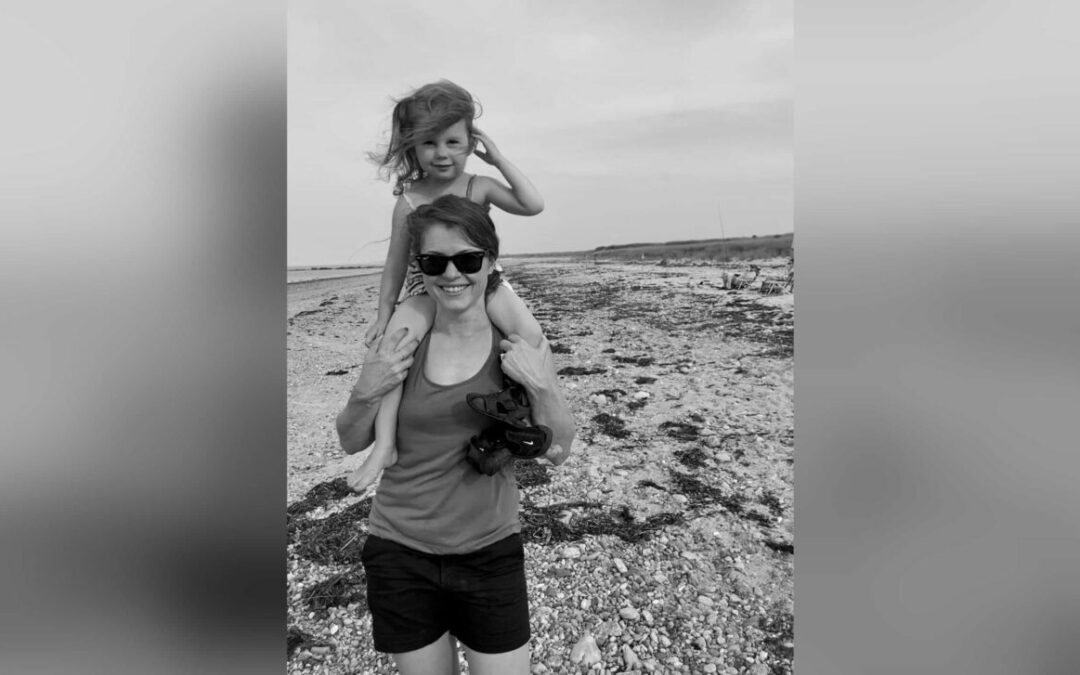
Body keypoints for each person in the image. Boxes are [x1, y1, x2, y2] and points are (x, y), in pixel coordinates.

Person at [336, 195, 575, 674]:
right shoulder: (407, 338)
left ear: (490, 261)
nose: (451, 274)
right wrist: (366, 390)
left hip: (489, 552)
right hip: (400, 551)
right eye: (434, 262)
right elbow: (348, 440)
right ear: (419, 267)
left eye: (467, 260)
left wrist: (543, 382)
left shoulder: (512, 342)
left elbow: (560, 448)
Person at [348, 79, 546, 494]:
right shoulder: (410, 198)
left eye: (454, 141)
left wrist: (498, 160)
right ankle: (385, 443)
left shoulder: (479, 186)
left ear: (471, 142)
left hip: (484, 280)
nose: (442, 153)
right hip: (426, 286)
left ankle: (525, 416)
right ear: (412, 148)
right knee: (394, 349)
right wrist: (384, 314)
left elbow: (532, 204)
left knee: (531, 337)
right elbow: (396, 263)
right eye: (429, 143)